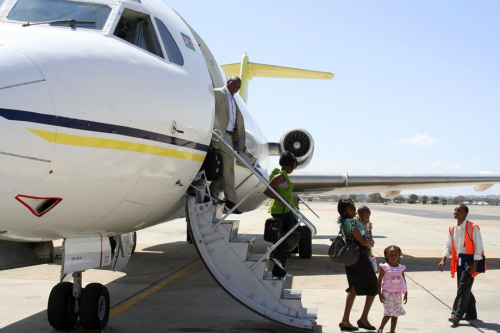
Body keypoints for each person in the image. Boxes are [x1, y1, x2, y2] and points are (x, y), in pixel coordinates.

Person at [438, 204, 486, 325]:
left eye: (459, 211)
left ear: (465, 214)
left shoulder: (473, 227)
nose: (456, 212)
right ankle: (471, 313)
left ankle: (456, 315)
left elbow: (478, 246)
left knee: (463, 287)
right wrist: (444, 259)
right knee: (464, 288)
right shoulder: (452, 228)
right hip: (459, 261)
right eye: (455, 210)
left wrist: (475, 263)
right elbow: (448, 245)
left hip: (471, 261)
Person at [338, 199, 377, 332]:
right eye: (350, 209)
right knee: (374, 286)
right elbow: (362, 241)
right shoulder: (351, 222)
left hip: (351, 257)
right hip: (358, 256)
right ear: (344, 211)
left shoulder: (345, 221)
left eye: (353, 208)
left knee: (354, 289)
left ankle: (345, 320)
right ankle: (363, 318)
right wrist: (371, 241)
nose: (353, 211)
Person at [210, 76, 246, 214]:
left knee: (225, 170)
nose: (235, 88)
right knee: (228, 168)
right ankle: (231, 201)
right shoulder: (218, 93)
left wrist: (239, 143)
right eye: (233, 85)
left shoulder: (233, 100)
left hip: (229, 137)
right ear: (227, 83)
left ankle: (214, 192)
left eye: (238, 87)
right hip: (220, 134)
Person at [264, 152, 299, 279]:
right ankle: (275, 256)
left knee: (289, 238)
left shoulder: (283, 176)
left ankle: (279, 271)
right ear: (288, 165)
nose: (293, 169)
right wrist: (281, 199)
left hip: (287, 211)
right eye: (293, 166)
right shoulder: (280, 176)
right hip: (282, 211)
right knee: (294, 235)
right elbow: (267, 190)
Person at [377, 245, 408, 333]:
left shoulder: (401, 268)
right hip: (387, 294)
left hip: (397, 294)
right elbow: (379, 281)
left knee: (395, 314)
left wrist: (405, 293)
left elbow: (403, 281)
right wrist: (380, 294)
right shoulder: (385, 267)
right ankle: (381, 328)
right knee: (389, 313)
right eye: (391, 254)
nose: (393, 256)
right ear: (387, 256)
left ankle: (392, 331)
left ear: (399, 256)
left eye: (395, 254)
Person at [357, 206, 377, 272]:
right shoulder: (359, 224)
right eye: (366, 217)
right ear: (360, 216)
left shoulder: (366, 223)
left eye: (369, 217)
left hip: (367, 247)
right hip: (362, 248)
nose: (368, 218)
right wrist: (371, 242)